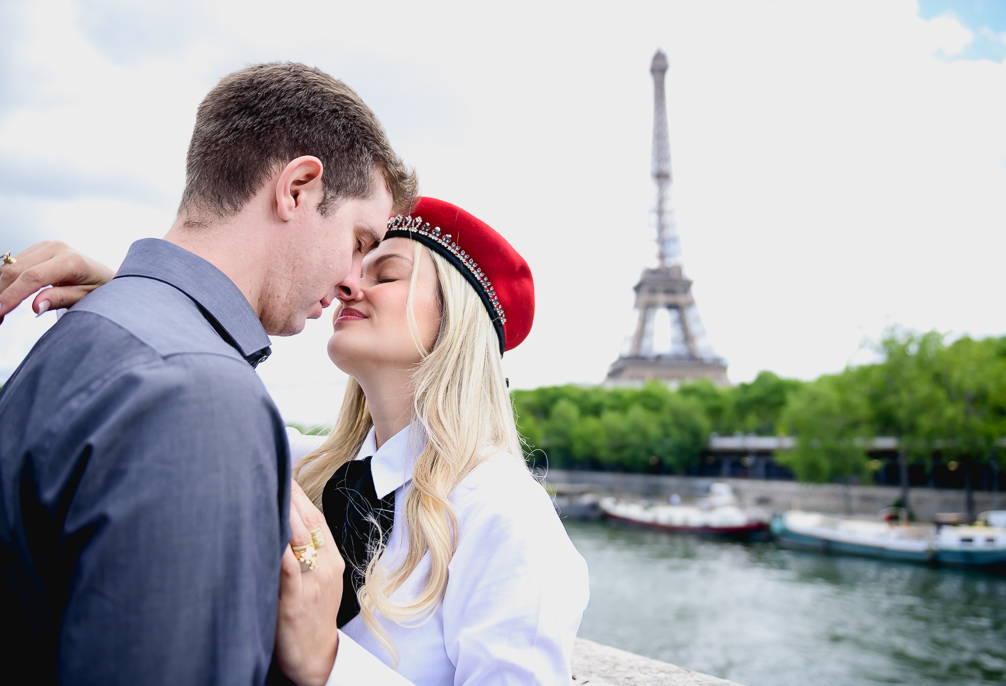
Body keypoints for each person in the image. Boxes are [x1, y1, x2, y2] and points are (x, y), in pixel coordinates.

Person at [3, 198, 591, 685]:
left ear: (456, 324)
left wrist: (330, 664)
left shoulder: (509, 516)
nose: (347, 286)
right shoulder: (310, 468)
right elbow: (202, 402)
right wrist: (134, 292)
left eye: (384, 274)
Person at [0, 62, 415, 685]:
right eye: (359, 242)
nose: (353, 279)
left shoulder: (103, 327)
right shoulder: (202, 397)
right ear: (298, 188)